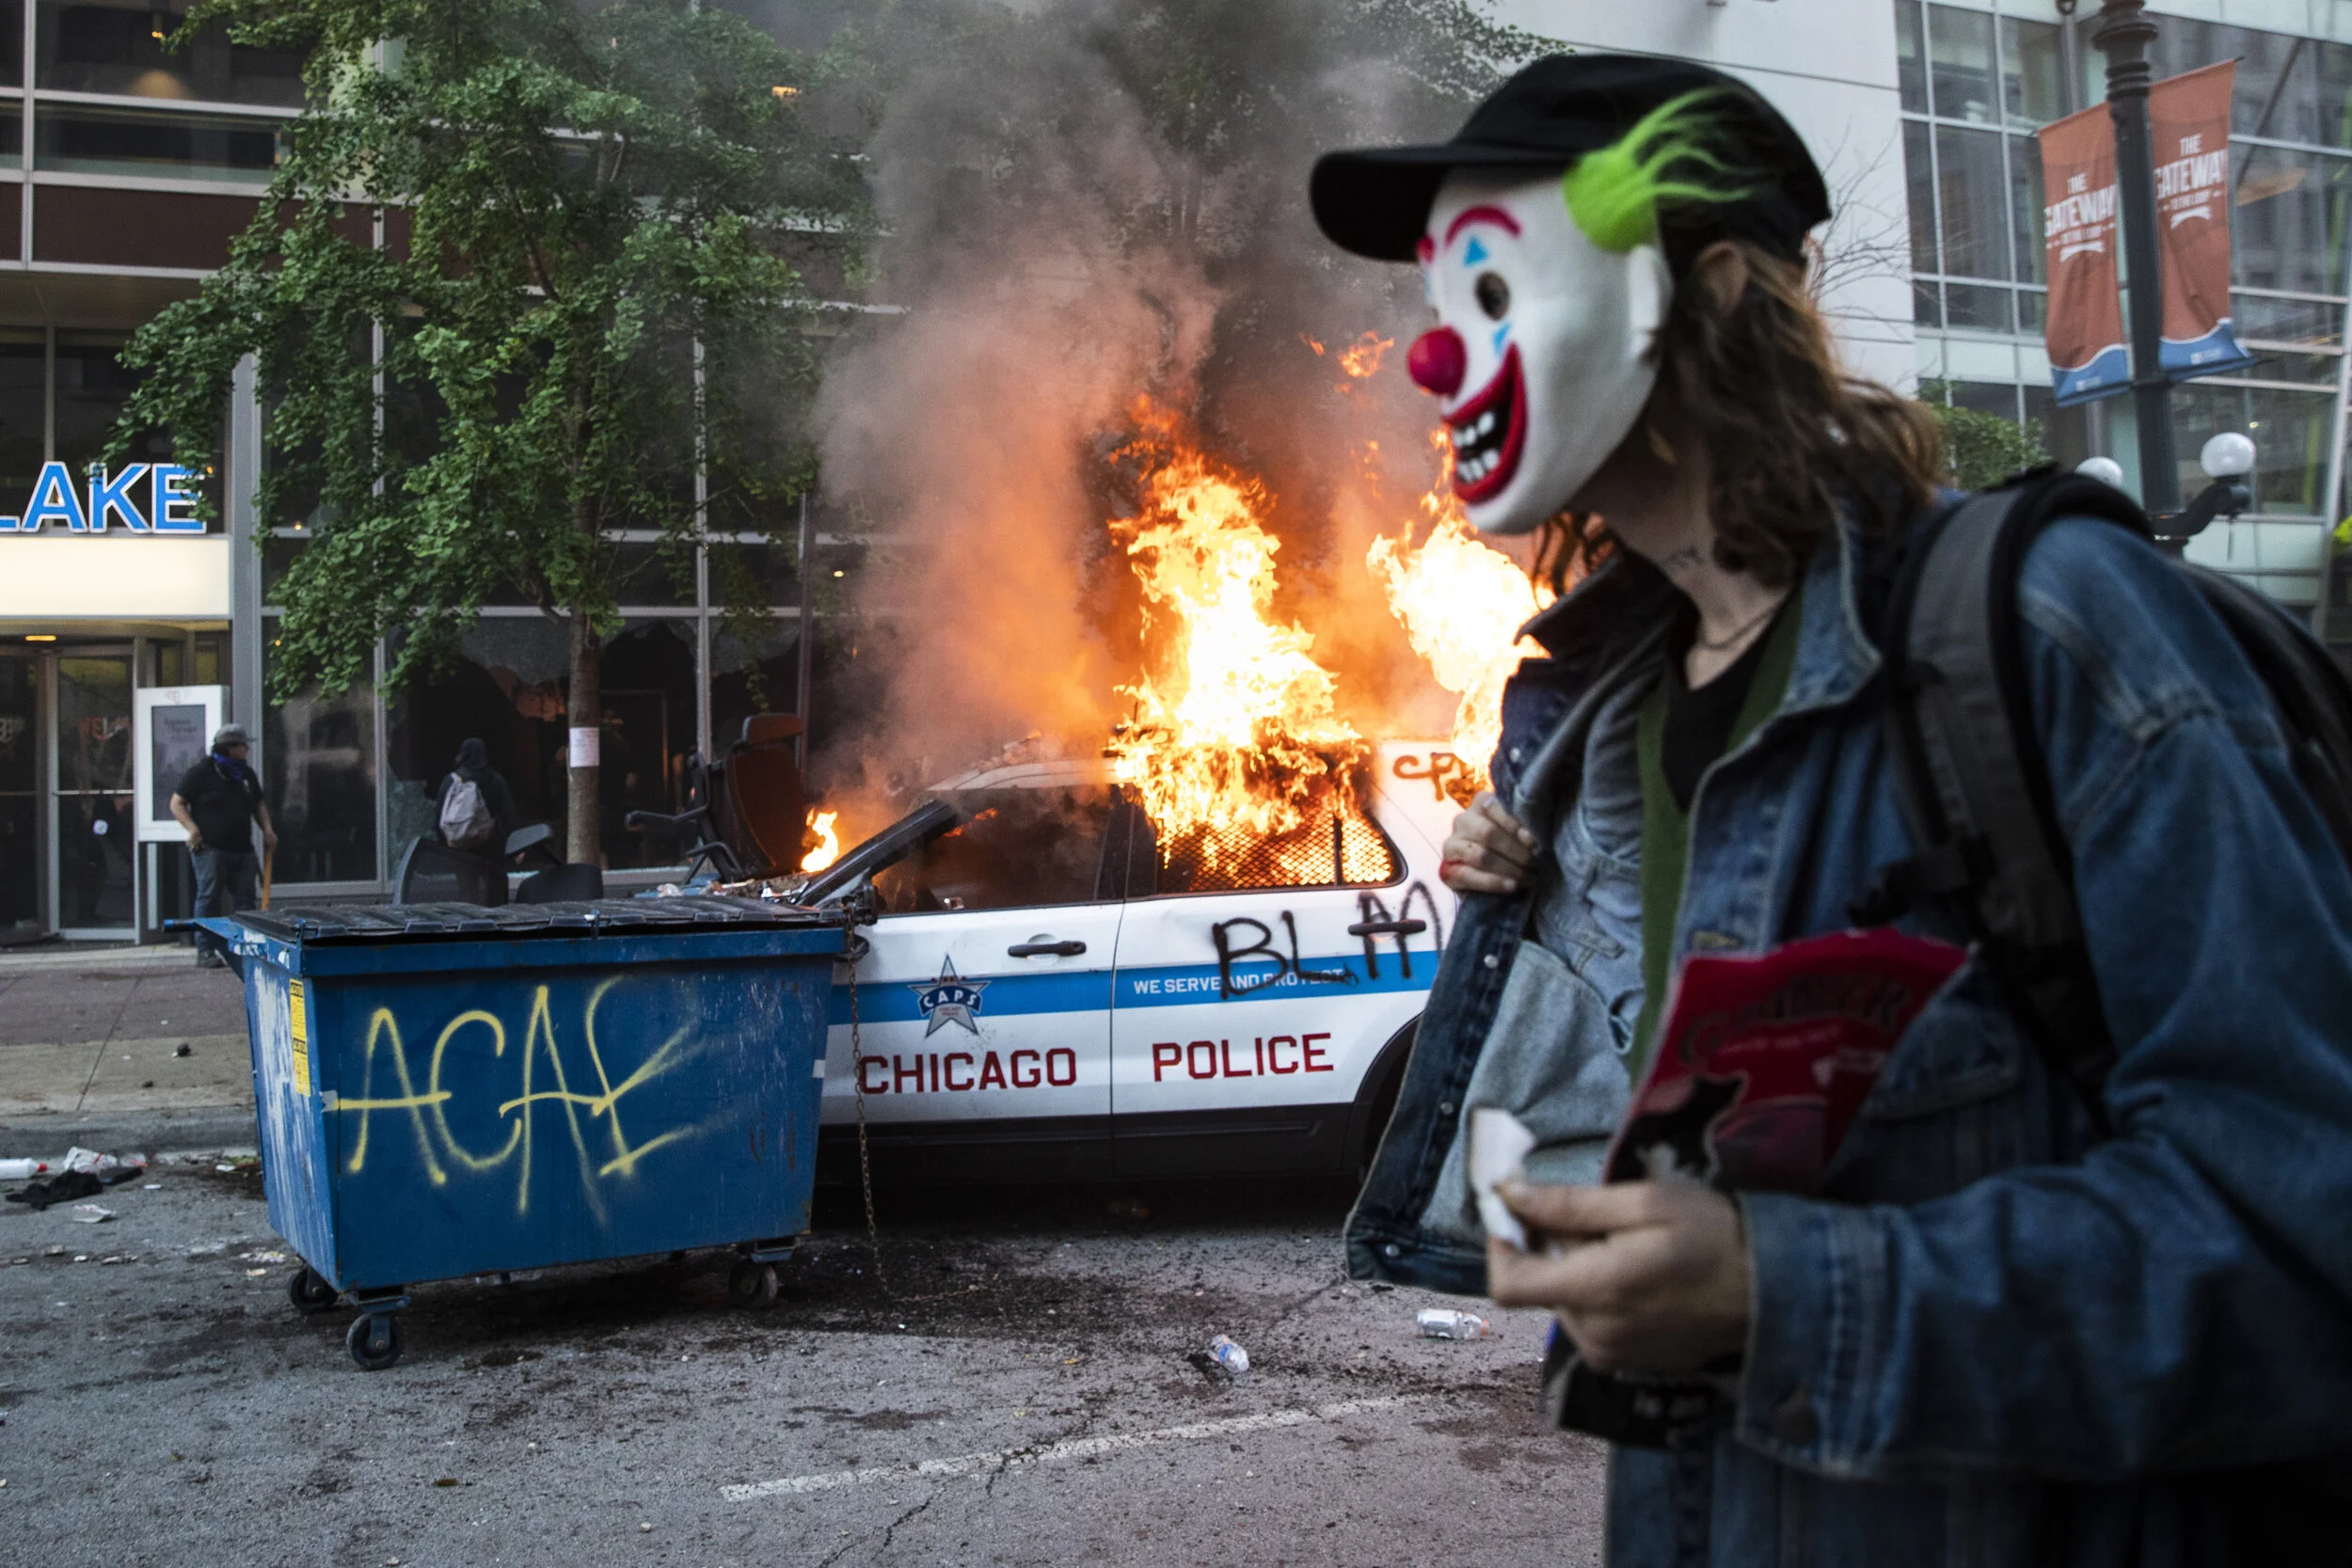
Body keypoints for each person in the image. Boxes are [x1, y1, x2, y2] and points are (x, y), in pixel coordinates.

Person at [1312, 54, 2352, 1564]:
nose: (1430, 362)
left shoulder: (2054, 632)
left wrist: (1777, 1290)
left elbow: (2300, 1239)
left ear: (1717, 288)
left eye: (1494, 293)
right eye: (1435, 309)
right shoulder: (1609, 718)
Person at [169, 722, 275, 969]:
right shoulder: (201, 772)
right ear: (229, 748)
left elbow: (258, 804)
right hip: (211, 849)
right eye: (242, 745)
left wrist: (267, 830)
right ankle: (205, 951)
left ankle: (245, 949)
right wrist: (193, 829)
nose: (247, 749)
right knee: (209, 898)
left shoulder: (245, 774)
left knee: (245, 900)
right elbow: (177, 803)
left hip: (243, 848)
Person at [433, 737, 519, 856]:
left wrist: (443, 843)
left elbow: (439, 814)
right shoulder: (495, 780)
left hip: (458, 850)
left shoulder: (450, 781)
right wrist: (518, 846)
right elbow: (508, 814)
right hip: (489, 845)